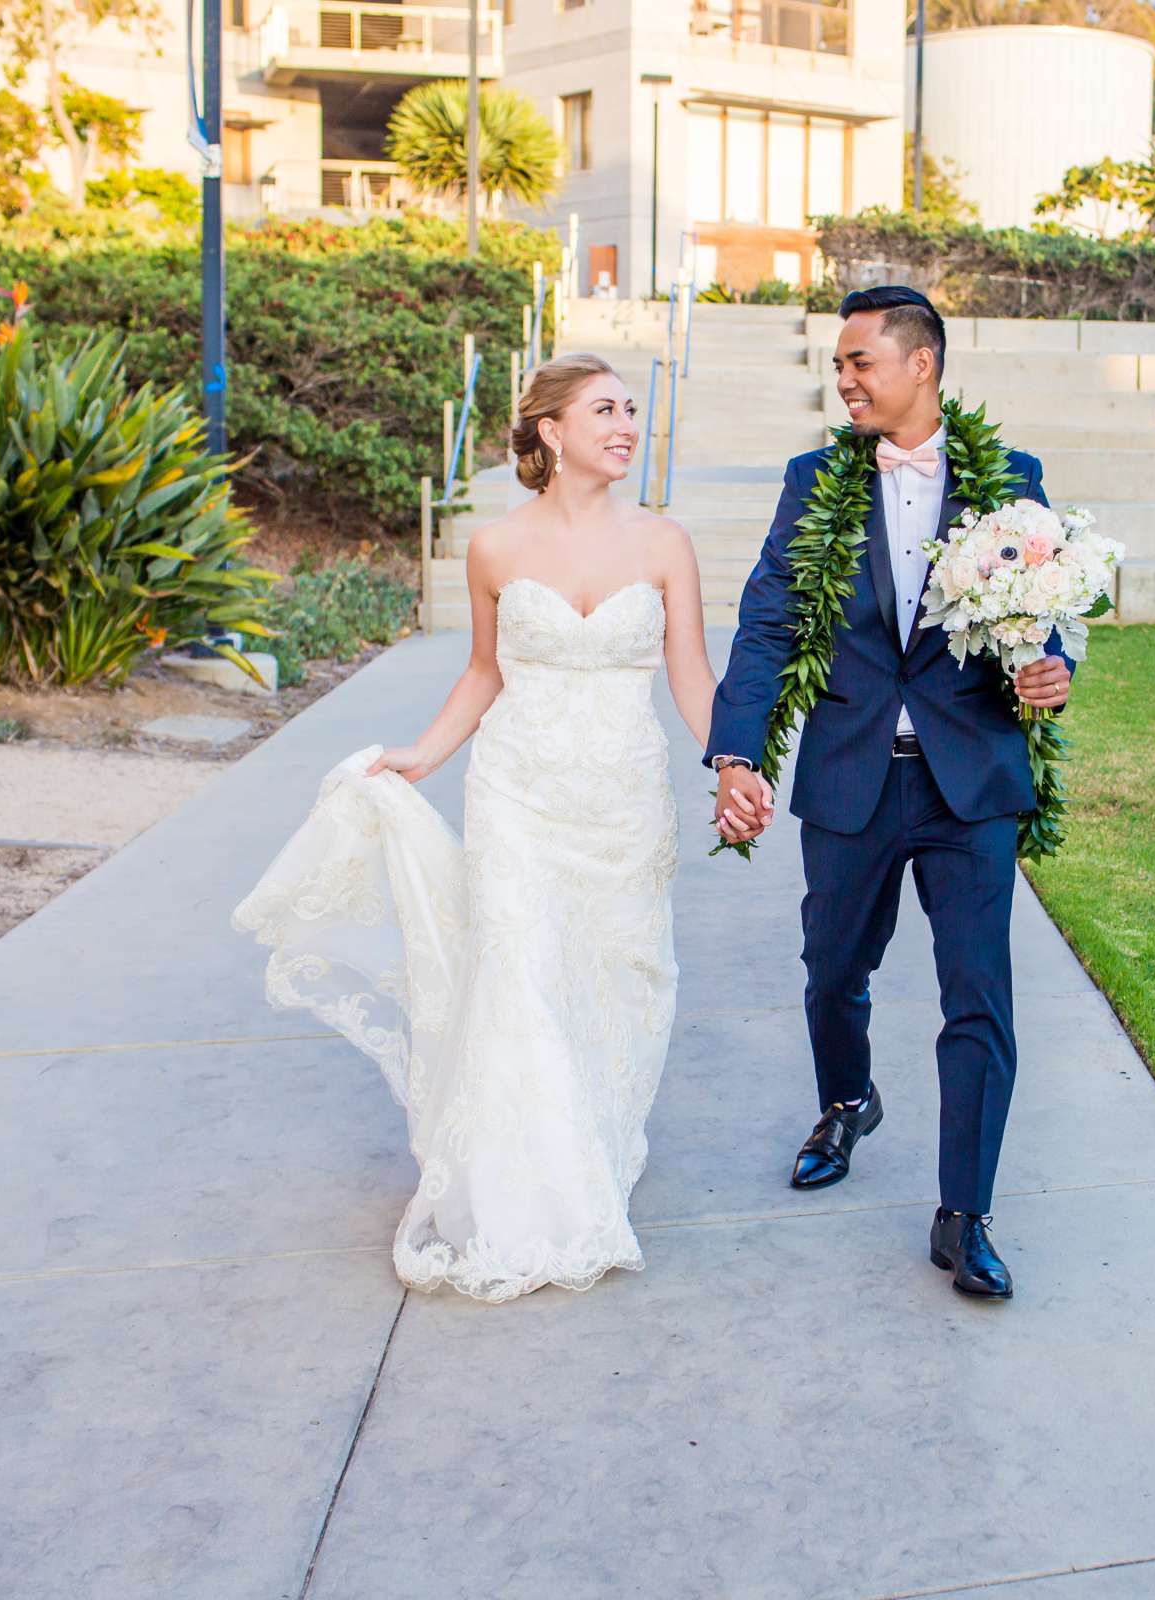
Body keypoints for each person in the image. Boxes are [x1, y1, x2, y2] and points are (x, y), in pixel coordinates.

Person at [232, 352, 771, 1303]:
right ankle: (527, 1198)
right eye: (604, 410)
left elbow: (690, 671)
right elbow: (485, 671)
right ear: (551, 432)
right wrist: (422, 756)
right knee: (518, 974)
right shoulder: (494, 547)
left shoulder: (665, 543)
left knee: (615, 978)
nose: (626, 425)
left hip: (621, 799)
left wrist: (731, 760)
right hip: (517, 793)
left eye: (633, 410)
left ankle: (591, 1151)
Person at [706, 286, 1075, 1301]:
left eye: (860, 361)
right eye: (838, 364)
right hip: (851, 772)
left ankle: (966, 1216)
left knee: (978, 1000)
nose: (845, 380)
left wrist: (1055, 670)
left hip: (970, 783)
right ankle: (847, 1101)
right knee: (833, 971)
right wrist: (739, 754)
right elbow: (769, 620)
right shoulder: (814, 479)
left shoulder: (1013, 480)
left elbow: (1045, 618)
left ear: (922, 365)